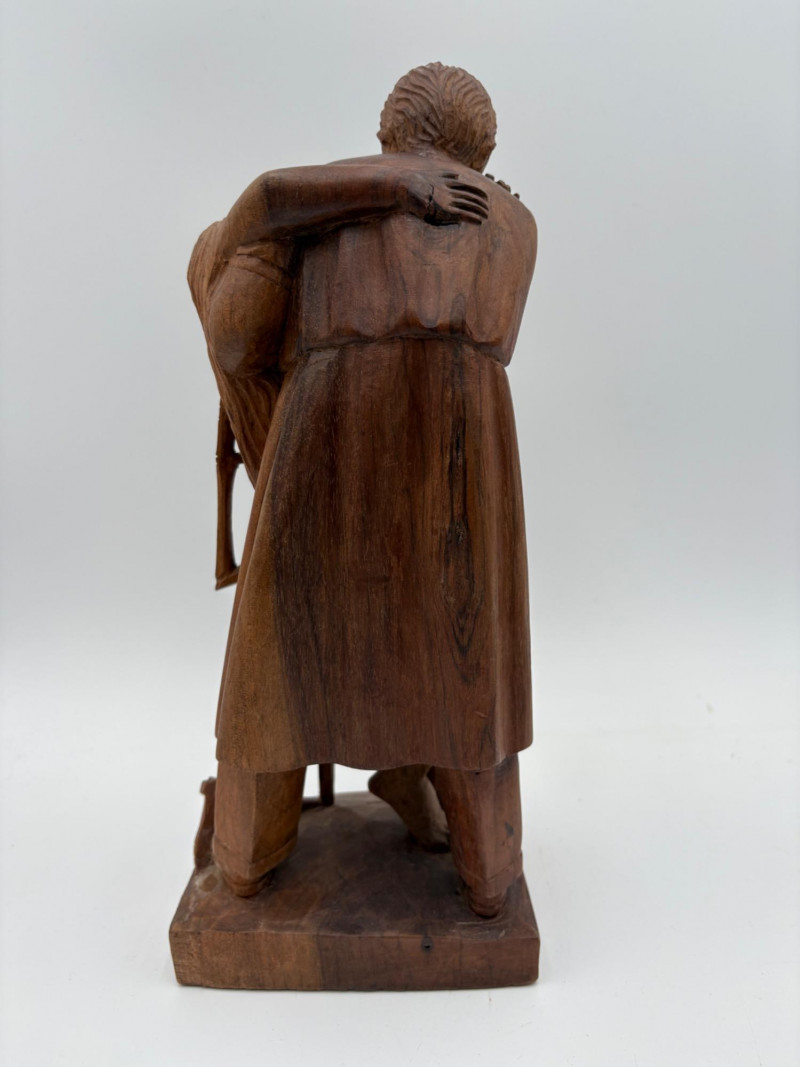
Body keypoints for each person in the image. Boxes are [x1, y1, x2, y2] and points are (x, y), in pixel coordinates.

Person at [189, 63, 537, 917]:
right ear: (482, 150)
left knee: (284, 672)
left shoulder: (313, 203)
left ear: (388, 130)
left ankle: (246, 853)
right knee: (462, 671)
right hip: (464, 477)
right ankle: (483, 863)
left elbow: (236, 342)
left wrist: (243, 243)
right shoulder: (516, 224)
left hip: (328, 459)